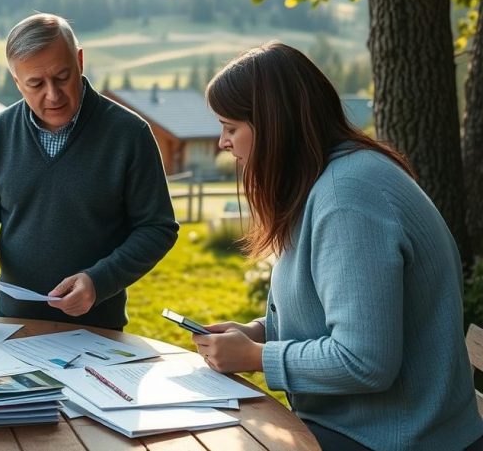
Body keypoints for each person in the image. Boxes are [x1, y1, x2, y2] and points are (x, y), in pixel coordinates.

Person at [194, 42, 483, 450]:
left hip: (395, 439)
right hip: (370, 429)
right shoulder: (328, 181)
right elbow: (335, 314)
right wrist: (258, 332)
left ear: (275, 125)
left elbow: (365, 361)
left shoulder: (347, 198)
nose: (223, 143)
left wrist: (256, 357)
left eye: (230, 127)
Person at [0, 13, 178, 330]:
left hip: (97, 331)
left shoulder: (129, 134)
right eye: (35, 84)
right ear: (16, 82)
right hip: (11, 326)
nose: (53, 94)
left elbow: (157, 228)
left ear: (80, 61)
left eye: (62, 77)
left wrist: (99, 280)